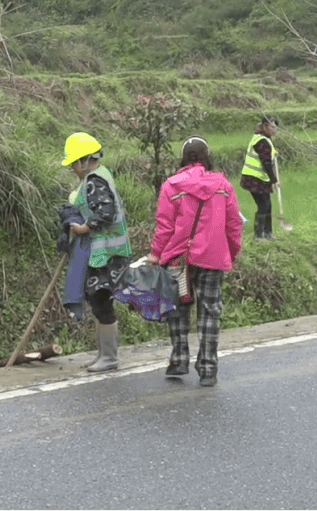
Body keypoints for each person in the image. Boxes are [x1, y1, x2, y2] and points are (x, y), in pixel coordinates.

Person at [148, 136, 243, 387]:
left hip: (179, 259)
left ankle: (179, 359)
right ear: (206, 157)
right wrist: (230, 253)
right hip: (212, 257)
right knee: (210, 311)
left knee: (178, 308)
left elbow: (164, 227)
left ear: (183, 157)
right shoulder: (223, 186)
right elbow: (233, 225)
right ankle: (208, 368)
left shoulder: (171, 185)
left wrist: (156, 254)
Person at [61, 132, 132, 372]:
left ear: (83, 160)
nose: (72, 168)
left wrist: (84, 227)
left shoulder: (95, 181)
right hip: (103, 254)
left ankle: (109, 358)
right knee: (98, 303)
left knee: (102, 303)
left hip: (106, 256)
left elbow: (105, 211)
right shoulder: (98, 176)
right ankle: (103, 354)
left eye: (73, 162)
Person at [240, 114, 287, 239]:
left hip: (258, 178)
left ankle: (268, 233)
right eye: (272, 127)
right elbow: (266, 163)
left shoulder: (262, 138)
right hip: (253, 179)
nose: (274, 130)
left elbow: (267, 155)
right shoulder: (261, 141)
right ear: (265, 126)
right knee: (263, 205)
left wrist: (274, 154)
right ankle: (259, 235)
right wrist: (274, 180)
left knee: (268, 205)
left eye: (276, 128)